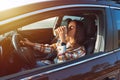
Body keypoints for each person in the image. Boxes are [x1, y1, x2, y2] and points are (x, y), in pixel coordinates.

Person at [20, 19, 86, 66]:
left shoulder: (80, 51)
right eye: (68, 26)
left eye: (71, 27)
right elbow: (50, 48)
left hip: (55, 71)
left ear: (78, 31)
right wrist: (30, 44)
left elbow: (61, 65)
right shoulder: (66, 42)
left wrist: (62, 42)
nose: (68, 29)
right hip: (49, 63)